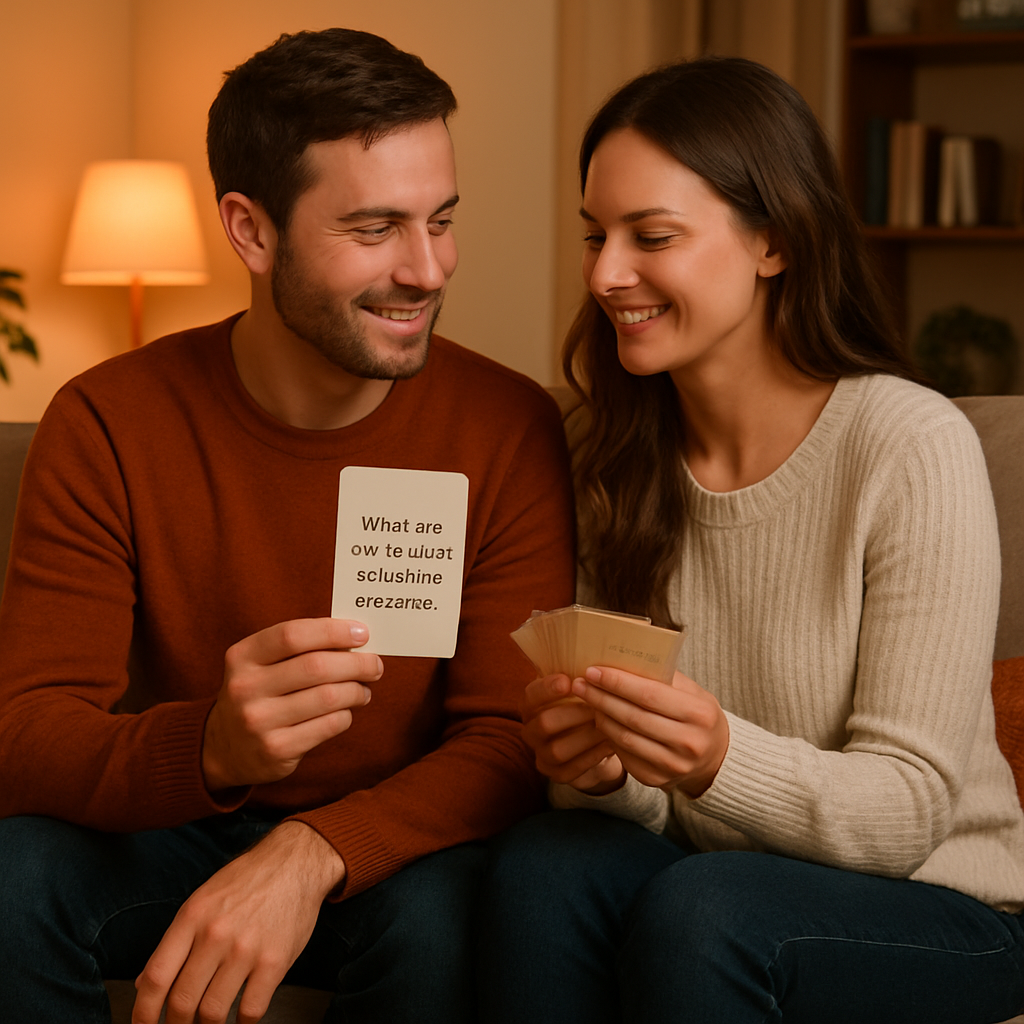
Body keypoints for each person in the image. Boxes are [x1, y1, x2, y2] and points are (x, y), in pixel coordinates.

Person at [0, 28, 575, 1024]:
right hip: (176, 824)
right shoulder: (107, 419)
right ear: (251, 232)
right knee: (11, 877)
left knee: (442, 918)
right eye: (375, 229)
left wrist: (310, 853)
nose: (428, 268)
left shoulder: (506, 426)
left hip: (394, 850)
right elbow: (27, 730)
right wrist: (214, 746)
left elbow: (504, 739)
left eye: (441, 220)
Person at [477, 56, 1024, 1023]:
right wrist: (604, 772)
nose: (607, 274)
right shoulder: (609, 448)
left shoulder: (907, 443)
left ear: (772, 243)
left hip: (947, 904)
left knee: (705, 907)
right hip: (716, 878)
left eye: (652, 237)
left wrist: (719, 755)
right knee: (543, 864)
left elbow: (908, 810)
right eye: (597, 236)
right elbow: (652, 811)